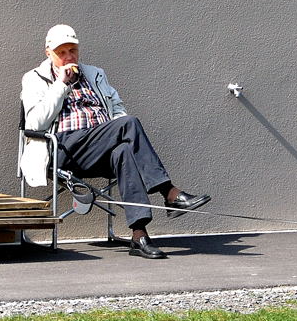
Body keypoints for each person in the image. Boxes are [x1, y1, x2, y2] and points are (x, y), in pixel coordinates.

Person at [20, 24, 210, 259]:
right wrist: (61, 85)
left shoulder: (94, 74)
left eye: (73, 50)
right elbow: (34, 125)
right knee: (128, 124)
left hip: (99, 149)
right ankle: (168, 191)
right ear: (48, 53)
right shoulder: (34, 78)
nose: (69, 57)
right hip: (62, 150)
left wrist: (117, 131)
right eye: (62, 52)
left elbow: (117, 110)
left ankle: (139, 235)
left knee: (123, 151)